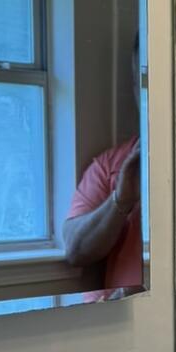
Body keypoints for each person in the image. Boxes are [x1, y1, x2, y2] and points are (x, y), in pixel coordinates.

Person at [62, 40, 144, 297]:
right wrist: (121, 200)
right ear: (134, 87)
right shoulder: (111, 165)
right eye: (145, 80)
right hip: (117, 323)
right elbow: (75, 250)